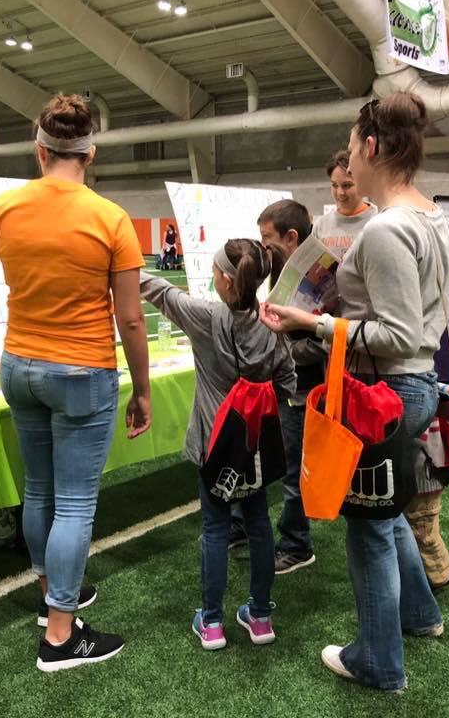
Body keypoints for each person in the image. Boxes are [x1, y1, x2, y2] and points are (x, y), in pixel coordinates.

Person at [0, 93, 152, 672]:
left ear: (39, 150)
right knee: (74, 504)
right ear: (90, 154)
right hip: (81, 372)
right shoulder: (111, 218)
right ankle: (59, 635)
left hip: (20, 367)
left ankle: (54, 594)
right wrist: (143, 389)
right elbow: (130, 320)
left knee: (41, 492)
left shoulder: (6, 207)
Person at [260, 92, 449, 693]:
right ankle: (420, 615)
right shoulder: (431, 217)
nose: (347, 165)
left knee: (368, 529)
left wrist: (314, 323)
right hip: (411, 386)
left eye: (350, 150)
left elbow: (397, 334)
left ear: (370, 147)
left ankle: (378, 662)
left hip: (385, 390)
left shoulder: (388, 228)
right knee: (386, 513)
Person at [139, 239, 295, 650]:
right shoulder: (272, 323)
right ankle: (260, 616)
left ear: (226, 279)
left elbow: (160, 291)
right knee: (259, 525)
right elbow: (288, 382)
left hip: (214, 445)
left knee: (215, 529)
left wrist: (120, 264)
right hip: (255, 445)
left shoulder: (206, 317)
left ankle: (211, 622)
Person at [251, 199, 321, 575]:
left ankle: (296, 544)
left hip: (305, 385)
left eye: (268, 237)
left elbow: (326, 340)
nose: (263, 245)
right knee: (272, 457)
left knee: (295, 468)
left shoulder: (322, 272)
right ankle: (250, 526)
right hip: (282, 380)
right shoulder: (281, 266)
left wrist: (287, 348)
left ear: (291, 236)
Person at [311, 149, 378, 258]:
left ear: (361, 181)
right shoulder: (321, 226)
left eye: (347, 185)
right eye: (334, 185)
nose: (340, 193)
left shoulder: (378, 219)